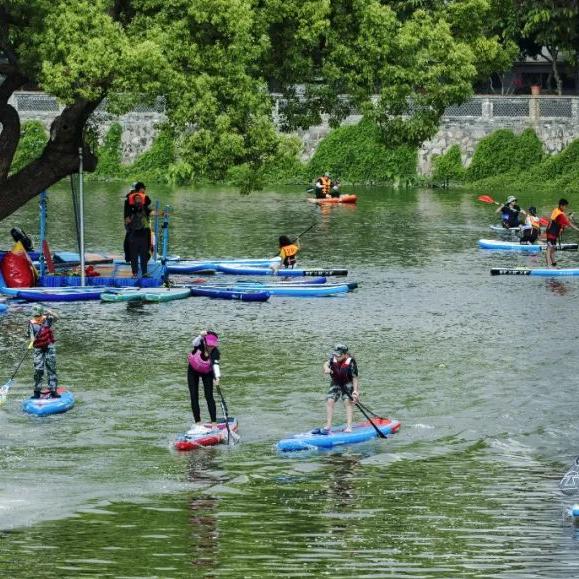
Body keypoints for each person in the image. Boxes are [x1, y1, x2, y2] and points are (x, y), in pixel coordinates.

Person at [313, 344, 360, 435]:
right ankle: (328, 426)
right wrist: (326, 368)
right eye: (335, 354)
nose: (336, 356)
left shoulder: (351, 362)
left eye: (338, 355)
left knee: (347, 402)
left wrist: (355, 391)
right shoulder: (333, 358)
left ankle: (349, 426)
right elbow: (326, 363)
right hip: (336, 382)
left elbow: (355, 378)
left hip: (347, 383)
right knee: (330, 401)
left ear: (345, 355)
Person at [187, 330, 221, 432]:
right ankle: (198, 423)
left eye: (213, 345)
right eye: (209, 345)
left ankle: (214, 423)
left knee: (209, 396)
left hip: (207, 372)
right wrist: (200, 336)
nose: (211, 347)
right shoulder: (199, 344)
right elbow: (194, 343)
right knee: (194, 396)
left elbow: (215, 365)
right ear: (205, 342)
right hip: (193, 371)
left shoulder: (215, 352)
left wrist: (217, 378)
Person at [28, 304, 59, 399]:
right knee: (38, 370)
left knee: (51, 369)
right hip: (38, 348)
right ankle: (37, 392)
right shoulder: (31, 323)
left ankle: (53, 390)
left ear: (42, 314)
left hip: (49, 347)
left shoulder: (47, 320)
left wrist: (51, 312)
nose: (37, 318)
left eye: (38, 315)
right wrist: (32, 340)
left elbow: (57, 318)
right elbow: (31, 336)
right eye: (35, 316)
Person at [125, 182, 152, 277]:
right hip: (133, 232)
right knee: (133, 253)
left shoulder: (144, 205)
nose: (139, 198)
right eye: (137, 197)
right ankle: (135, 273)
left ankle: (144, 272)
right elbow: (127, 219)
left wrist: (163, 213)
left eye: (141, 197)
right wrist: (129, 218)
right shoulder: (129, 204)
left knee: (145, 253)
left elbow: (150, 209)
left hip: (144, 232)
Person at [545, 198, 579, 267]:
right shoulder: (560, 213)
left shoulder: (556, 210)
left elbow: (562, 221)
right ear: (561, 205)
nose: (565, 208)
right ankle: (549, 266)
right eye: (565, 206)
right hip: (551, 233)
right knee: (549, 248)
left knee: (553, 248)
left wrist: (563, 225)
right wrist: (577, 229)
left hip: (553, 233)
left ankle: (553, 264)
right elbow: (569, 224)